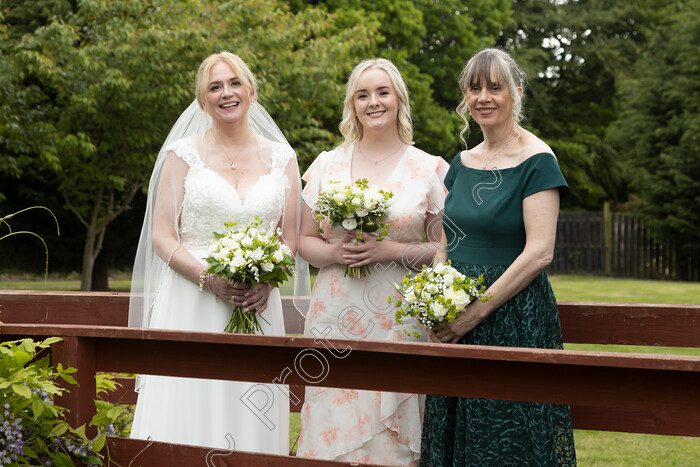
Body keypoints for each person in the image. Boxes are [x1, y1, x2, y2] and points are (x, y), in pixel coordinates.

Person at [128, 51, 306, 453]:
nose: (227, 93)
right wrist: (210, 280)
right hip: (191, 300)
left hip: (257, 305)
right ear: (203, 99)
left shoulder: (284, 158)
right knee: (189, 402)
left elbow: (289, 240)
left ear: (251, 90)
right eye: (215, 87)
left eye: (234, 83)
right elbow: (162, 236)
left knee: (249, 403)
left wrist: (266, 280)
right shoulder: (182, 154)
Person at [419, 48, 577, 465]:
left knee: (507, 440)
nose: (483, 97)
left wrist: (473, 313)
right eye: (474, 88)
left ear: (517, 93)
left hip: (513, 317)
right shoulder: (462, 162)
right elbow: (444, 243)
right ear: (465, 98)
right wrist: (437, 298)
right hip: (455, 318)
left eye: (495, 87)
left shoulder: (538, 160)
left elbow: (540, 253)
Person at [296, 58, 449, 465]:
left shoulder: (429, 169)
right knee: (333, 431)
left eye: (383, 92)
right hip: (335, 317)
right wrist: (334, 252)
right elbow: (302, 239)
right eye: (363, 95)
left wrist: (390, 251)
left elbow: (444, 252)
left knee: (392, 445)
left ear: (399, 99)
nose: (374, 102)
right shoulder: (328, 164)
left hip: (399, 320)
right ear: (353, 104)